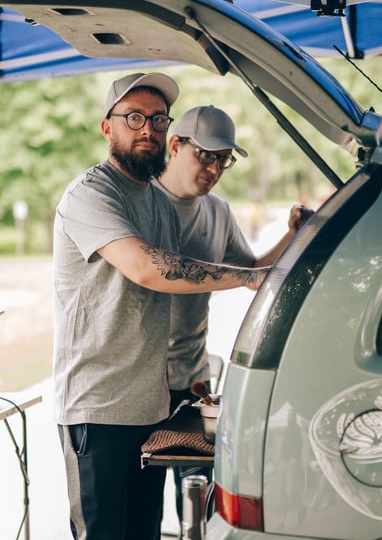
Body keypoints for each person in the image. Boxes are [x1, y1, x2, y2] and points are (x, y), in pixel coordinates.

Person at [52, 72, 269, 540]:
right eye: (133, 118)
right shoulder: (90, 194)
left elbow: (176, 279)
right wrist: (248, 277)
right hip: (98, 407)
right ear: (107, 127)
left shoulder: (162, 205)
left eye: (157, 119)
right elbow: (148, 268)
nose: (147, 128)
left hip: (152, 407)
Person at [154, 105, 314, 532]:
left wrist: (294, 233)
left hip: (193, 382)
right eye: (205, 155)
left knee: (197, 505)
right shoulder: (143, 202)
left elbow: (252, 273)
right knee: (141, 508)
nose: (214, 169)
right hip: (143, 385)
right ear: (175, 145)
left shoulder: (218, 210)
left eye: (223, 159)